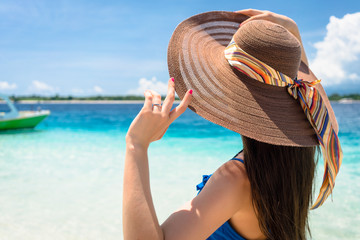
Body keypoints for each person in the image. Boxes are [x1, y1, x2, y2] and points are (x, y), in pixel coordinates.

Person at [123, 9, 343, 240]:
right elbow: (324, 116)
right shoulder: (306, 142)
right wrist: (292, 32)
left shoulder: (236, 179)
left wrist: (136, 145)